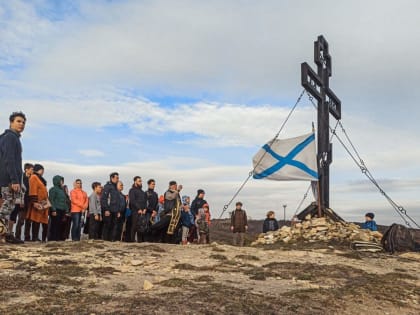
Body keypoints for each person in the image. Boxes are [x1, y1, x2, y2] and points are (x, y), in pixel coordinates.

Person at [0, 111, 26, 243]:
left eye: (23, 122)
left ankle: (6, 234)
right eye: (18, 121)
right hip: (7, 180)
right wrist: (14, 180)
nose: (21, 124)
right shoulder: (10, 137)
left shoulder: (9, 137)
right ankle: (2, 235)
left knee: (7, 208)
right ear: (11, 122)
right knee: (6, 208)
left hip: (6, 179)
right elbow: (9, 160)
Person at [26, 164, 49, 242]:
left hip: (43, 203)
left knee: (40, 220)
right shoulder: (34, 177)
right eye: (42, 170)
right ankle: (34, 237)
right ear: (40, 170)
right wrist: (34, 202)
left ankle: (37, 238)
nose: (43, 172)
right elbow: (33, 189)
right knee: (35, 220)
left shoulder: (40, 179)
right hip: (37, 202)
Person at [48, 175, 70, 241]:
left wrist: (67, 210)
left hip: (62, 210)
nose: (62, 182)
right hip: (56, 209)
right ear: (57, 181)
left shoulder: (62, 190)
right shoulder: (53, 189)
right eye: (60, 180)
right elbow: (51, 200)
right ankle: (53, 238)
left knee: (61, 225)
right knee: (55, 225)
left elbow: (65, 200)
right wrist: (53, 210)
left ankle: (59, 238)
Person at [15, 163, 33, 241]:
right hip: (22, 201)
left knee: (29, 221)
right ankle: (17, 236)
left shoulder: (33, 178)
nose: (33, 170)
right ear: (26, 169)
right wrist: (20, 201)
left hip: (30, 202)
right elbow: (20, 191)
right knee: (21, 220)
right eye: (31, 169)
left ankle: (27, 237)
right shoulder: (21, 178)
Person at [101, 172, 121, 241]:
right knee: (107, 226)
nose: (118, 179)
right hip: (109, 210)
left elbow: (118, 200)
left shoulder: (116, 188)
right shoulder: (107, 187)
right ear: (112, 178)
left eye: (118, 178)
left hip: (115, 210)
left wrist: (118, 211)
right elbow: (103, 198)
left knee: (114, 226)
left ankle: (111, 240)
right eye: (116, 178)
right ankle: (106, 240)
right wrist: (106, 209)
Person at [128, 176, 147, 242]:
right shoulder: (132, 190)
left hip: (142, 212)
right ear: (135, 181)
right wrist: (138, 208)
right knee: (134, 226)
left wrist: (144, 209)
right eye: (139, 181)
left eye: (141, 181)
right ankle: (132, 240)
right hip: (135, 211)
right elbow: (133, 201)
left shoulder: (142, 192)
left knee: (141, 226)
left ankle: (139, 241)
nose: (140, 182)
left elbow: (145, 201)